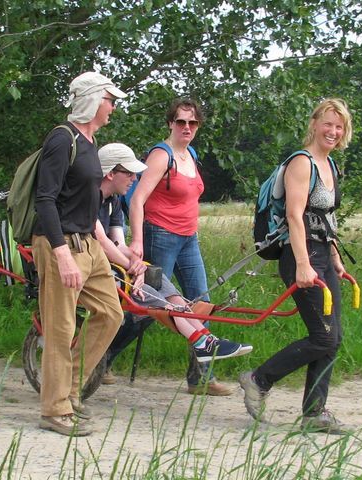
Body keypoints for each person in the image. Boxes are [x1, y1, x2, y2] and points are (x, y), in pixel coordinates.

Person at [239, 98, 352, 434]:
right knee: (323, 336)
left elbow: (325, 217)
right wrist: (304, 264)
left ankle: (315, 413)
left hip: (321, 253)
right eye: (328, 123)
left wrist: (335, 256)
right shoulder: (302, 163)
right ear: (314, 123)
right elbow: (295, 215)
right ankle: (259, 379)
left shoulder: (329, 165)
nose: (333, 131)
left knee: (334, 336)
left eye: (339, 126)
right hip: (300, 255)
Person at [95, 143, 253, 375]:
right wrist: (132, 267)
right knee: (154, 297)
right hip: (92, 264)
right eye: (128, 173)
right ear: (110, 173)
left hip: (112, 262)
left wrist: (136, 262)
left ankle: (207, 340)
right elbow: (101, 242)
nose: (133, 179)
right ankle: (201, 342)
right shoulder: (89, 197)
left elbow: (118, 243)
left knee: (166, 288)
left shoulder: (114, 201)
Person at [31, 72, 126, 437]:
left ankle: (70, 392)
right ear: (91, 100)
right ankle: (54, 410)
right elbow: (45, 199)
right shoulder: (62, 138)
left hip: (88, 243)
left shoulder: (89, 142)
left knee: (111, 314)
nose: (113, 106)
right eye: (109, 99)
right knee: (60, 327)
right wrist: (61, 254)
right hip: (61, 244)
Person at [128, 98, 231, 396]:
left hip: (188, 238)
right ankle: (104, 359)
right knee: (151, 307)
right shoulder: (162, 156)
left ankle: (201, 378)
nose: (187, 127)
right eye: (181, 121)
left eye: (192, 122)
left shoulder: (191, 154)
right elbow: (137, 200)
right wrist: (136, 240)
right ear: (170, 123)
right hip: (160, 235)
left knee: (201, 303)